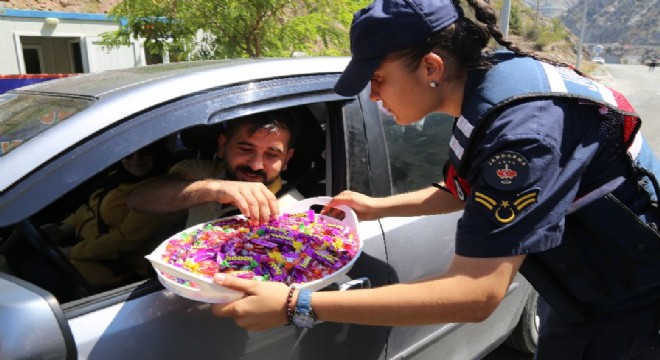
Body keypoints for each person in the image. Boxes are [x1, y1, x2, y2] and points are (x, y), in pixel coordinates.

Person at [210, 1, 660, 359]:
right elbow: (468, 191)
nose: (372, 95)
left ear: (430, 67)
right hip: (584, 292)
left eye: (379, 78)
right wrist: (373, 205)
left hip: (633, 308)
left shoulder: (522, 134)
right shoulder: (490, 86)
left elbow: (476, 293)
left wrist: (296, 304)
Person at [127, 110, 304, 228]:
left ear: (286, 159)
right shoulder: (202, 172)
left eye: (272, 154)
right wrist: (215, 189)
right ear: (223, 145)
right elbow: (138, 199)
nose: (255, 165)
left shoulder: (295, 213)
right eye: (245, 149)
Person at [40, 141, 181, 287]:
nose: (136, 160)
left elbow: (123, 242)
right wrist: (63, 229)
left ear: (157, 152)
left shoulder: (159, 193)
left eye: (145, 151)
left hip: (117, 267)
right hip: (85, 249)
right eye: (128, 154)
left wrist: (69, 252)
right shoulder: (118, 177)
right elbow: (91, 208)